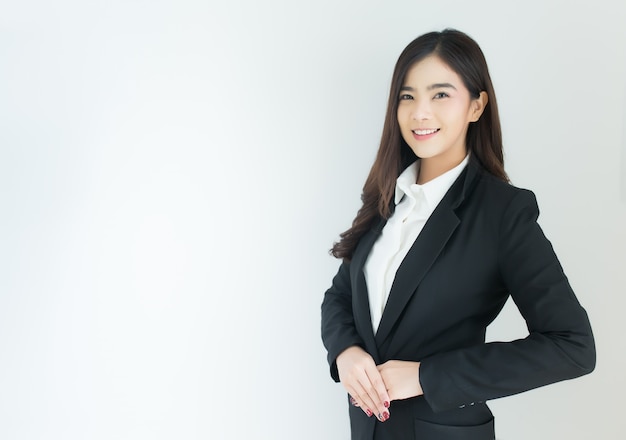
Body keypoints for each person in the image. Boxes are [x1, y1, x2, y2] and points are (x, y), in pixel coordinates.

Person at [320, 29, 595, 440]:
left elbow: (572, 346)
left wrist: (427, 376)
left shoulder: (502, 213)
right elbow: (340, 295)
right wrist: (346, 352)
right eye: (407, 96)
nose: (420, 113)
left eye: (441, 95)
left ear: (476, 105)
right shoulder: (386, 199)